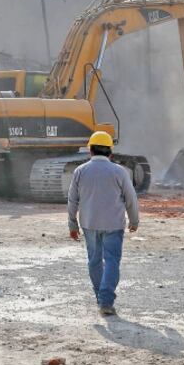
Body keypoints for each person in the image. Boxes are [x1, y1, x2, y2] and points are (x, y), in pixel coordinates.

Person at [66, 131, 139, 317]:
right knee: (112, 261)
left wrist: (72, 225)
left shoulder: (80, 171)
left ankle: (100, 297)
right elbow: (131, 198)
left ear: (90, 150)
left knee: (94, 261)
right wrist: (134, 220)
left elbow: (72, 200)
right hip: (113, 224)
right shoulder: (119, 171)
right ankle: (106, 301)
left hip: (89, 224)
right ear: (110, 153)